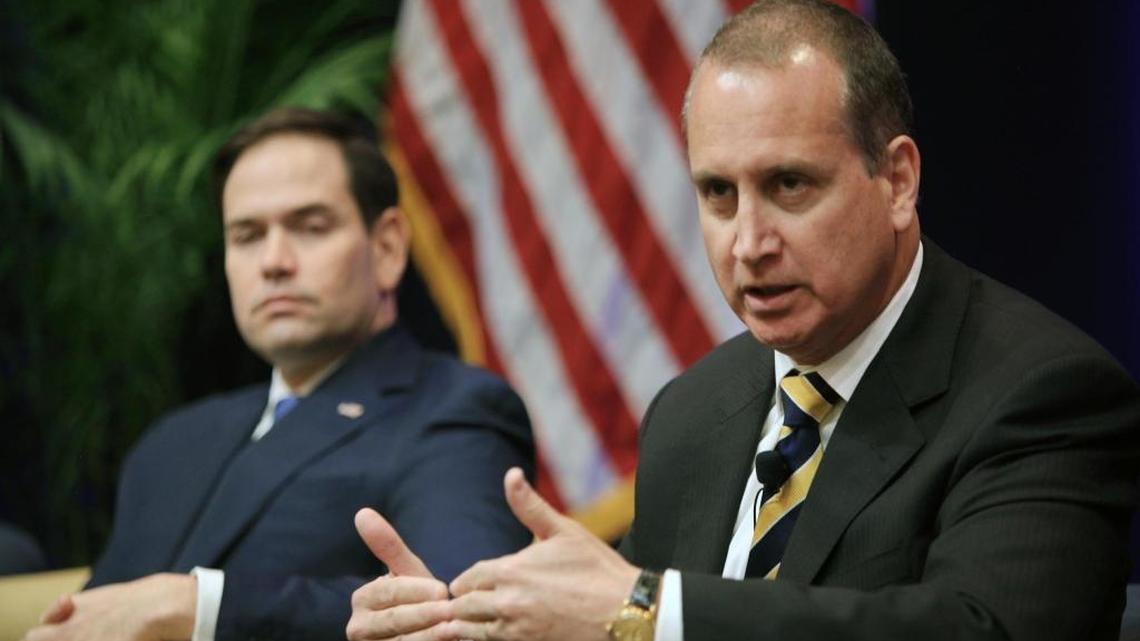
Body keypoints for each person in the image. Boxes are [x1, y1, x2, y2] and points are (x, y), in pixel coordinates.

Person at [344, 1, 1140, 640]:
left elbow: (980, 627)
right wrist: (469, 627)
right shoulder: (693, 411)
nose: (749, 243)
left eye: (789, 185)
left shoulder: (1041, 394)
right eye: (718, 194)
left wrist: (651, 612)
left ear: (897, 180)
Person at [24, 107, 534, 641]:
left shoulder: (452, 409)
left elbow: (463, 609)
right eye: (246, 235)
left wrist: (202, 608)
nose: (273, 261)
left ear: (386, 248)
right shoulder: (172, 445)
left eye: (309, 227)